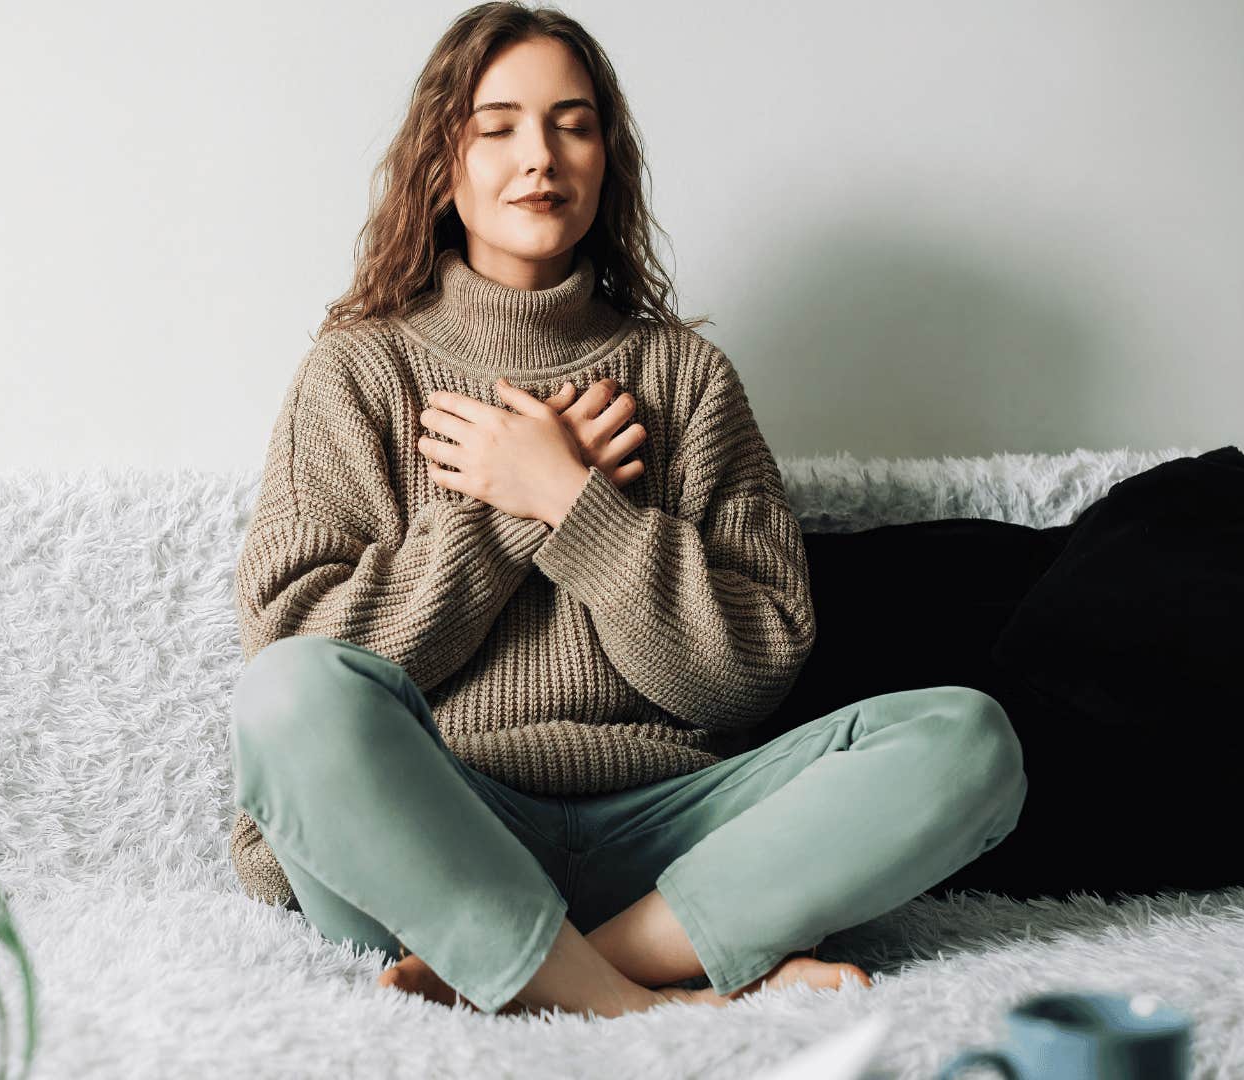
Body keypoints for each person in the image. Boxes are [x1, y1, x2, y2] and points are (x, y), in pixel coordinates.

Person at [228, 2, 1027, 1019]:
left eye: (573, 123)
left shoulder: (685, 378)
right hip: (439, 838)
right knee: (285, 695)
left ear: (608, 157)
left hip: (677, 841)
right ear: (443, 161)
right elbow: (297, 652)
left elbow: (746, 677)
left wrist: (576, 504)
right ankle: (645, 1002)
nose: (540, 156)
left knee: (970, 742)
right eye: (498, 124)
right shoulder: (358, 370)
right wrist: (501, 513)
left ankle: (566, 970)